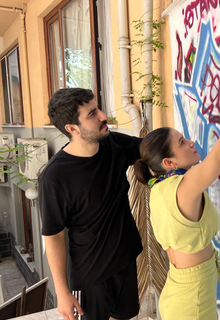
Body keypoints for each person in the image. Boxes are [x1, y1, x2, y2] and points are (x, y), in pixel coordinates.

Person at [133, 49, 220, 319]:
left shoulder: (158, 188)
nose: (191, 143)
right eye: (182, 143)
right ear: (169, 163)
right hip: (191, 301)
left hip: (180, 291)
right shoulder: (185, 186)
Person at [38, 88, 143, 320]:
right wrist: (62, 292)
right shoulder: (54, 177)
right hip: (89, 276)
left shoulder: (112, 143)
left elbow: (147, 148)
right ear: (72, 129)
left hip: (124, 261)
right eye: (92, 114)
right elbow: (53, 236)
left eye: (98, 108)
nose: (103, 116)